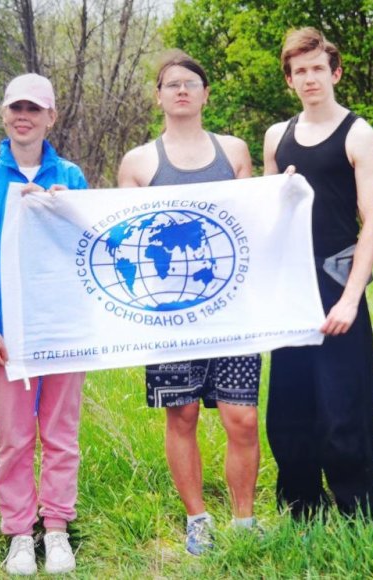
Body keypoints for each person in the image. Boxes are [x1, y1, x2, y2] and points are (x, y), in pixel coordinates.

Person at [117, 50, 262, 556]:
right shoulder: (138, 162)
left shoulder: (234, 151)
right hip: (169, 316)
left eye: (191, 83)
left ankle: (244, 521)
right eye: (172, 84)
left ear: (205, 95)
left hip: (234, 310)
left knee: (242, 418)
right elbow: (124, 239)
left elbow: (255, 221)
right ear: (158, 96)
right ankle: (197, 520)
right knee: (181, 415)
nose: (182, 90)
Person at [0, 73, 88, 575]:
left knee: (61, 434)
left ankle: (56, 528)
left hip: (60, 331)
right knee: (13, 438)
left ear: (51, 117)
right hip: (4, 336)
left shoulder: (70, 176)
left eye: (34, 109)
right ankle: (18, 533)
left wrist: (65, 209)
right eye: (16, 108)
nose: (24, 117)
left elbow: (88, 247)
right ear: (4, 114)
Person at [262, 27, 373, 521]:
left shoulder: (358, 133)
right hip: (289, 287)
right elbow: (267, 217)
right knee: (288, 410)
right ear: (289, 80)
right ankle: (302, 513)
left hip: (337, 281)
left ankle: (361, 518)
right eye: (300, 71)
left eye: (317, 68)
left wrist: (351, 298)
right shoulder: (277, 137)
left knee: (343, 408)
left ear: (335, 73)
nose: (309, 78)